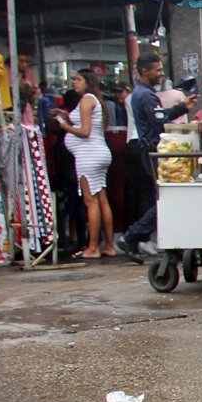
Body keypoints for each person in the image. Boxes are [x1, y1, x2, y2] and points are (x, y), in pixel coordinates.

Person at [114, 54, 195, 261]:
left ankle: (146, 238)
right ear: (144, 72)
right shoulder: (145, 96)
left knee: (160, 199)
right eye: (157, 70)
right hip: (153, 152)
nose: (161, 74)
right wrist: (182, 108)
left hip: (149, 151)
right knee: (167, 200)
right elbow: (159, 120)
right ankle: (132, 236)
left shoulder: (143, 94)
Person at [52, 69, 115, 260]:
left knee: (91, 201)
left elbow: (85, 131)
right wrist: (67, 116)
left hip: (89, 155)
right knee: (101, 199)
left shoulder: (87, 100)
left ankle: (93, 247)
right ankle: (109, 245)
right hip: (98, 152)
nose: (74, 83)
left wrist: (64, 126)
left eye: (78, 79)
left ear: (88, 81)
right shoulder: (92, 101)